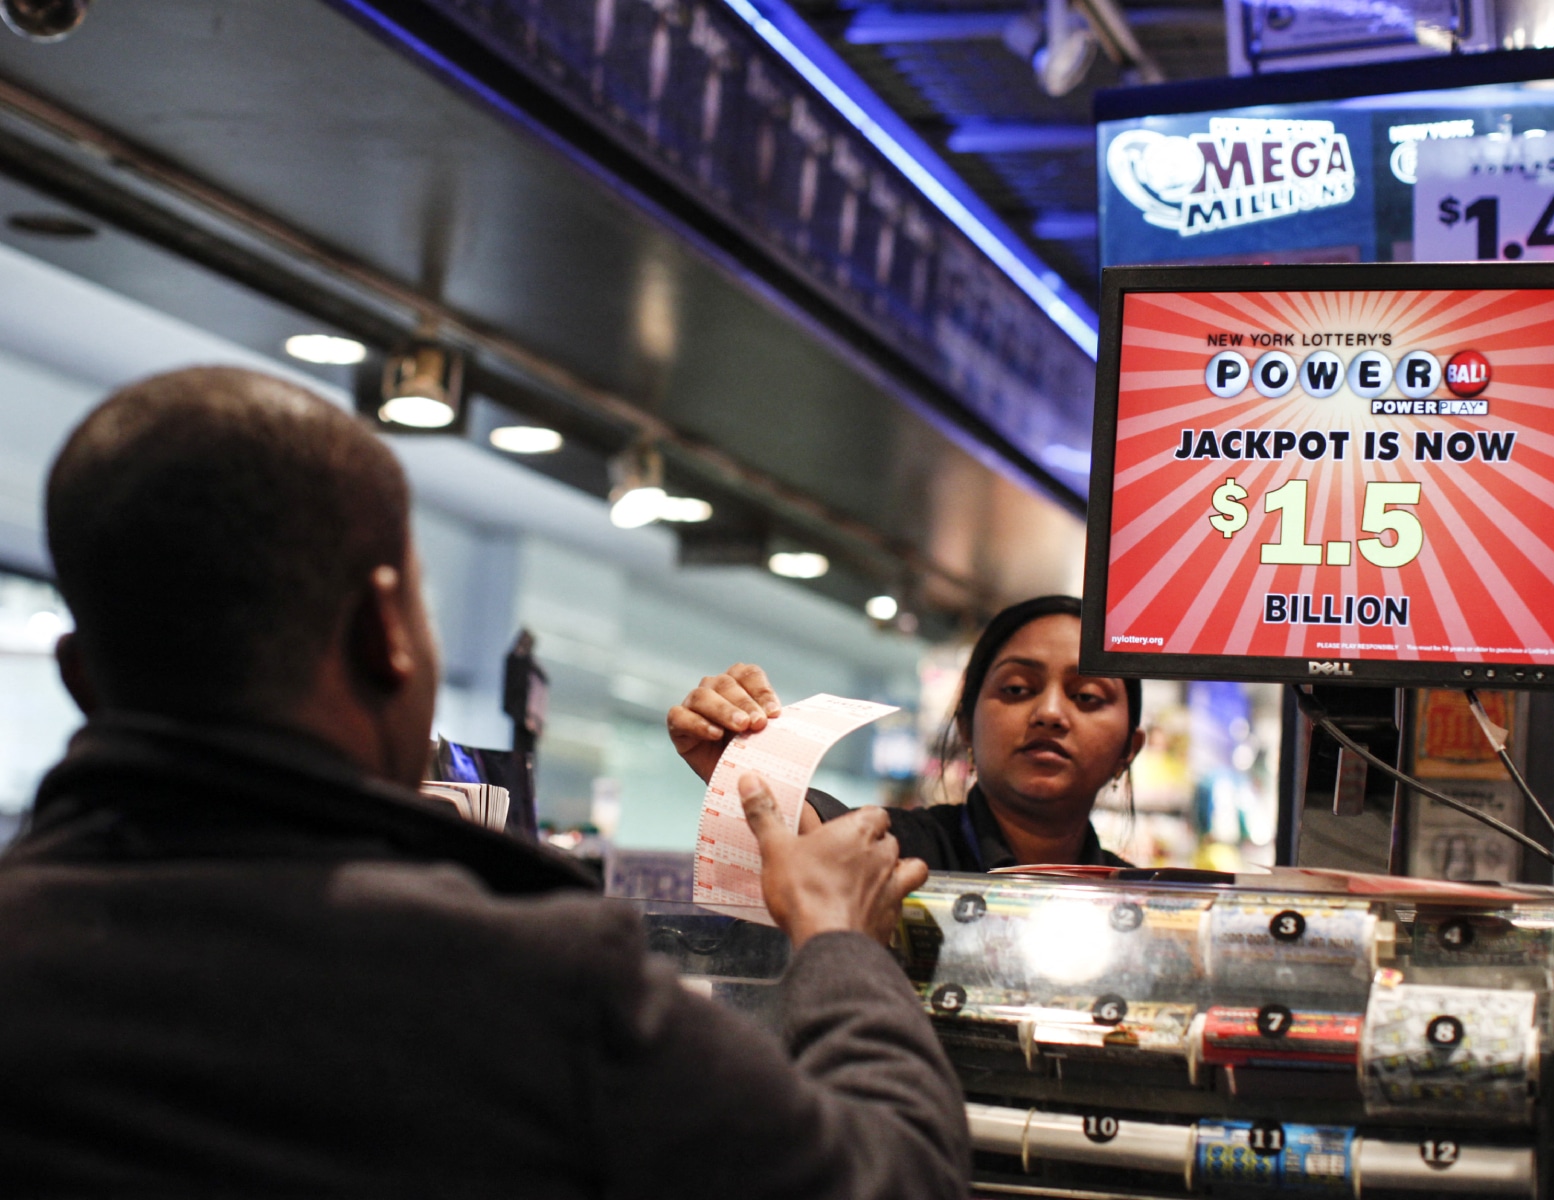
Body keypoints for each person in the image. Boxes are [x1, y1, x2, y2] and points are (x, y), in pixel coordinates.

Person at [0, 367, 968, 1197]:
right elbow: (889, 1175)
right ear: (386, 632)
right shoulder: (536, 987)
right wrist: (842, 947)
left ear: (79, 672)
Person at [668, 595, 1145, 873]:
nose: (1050, 713)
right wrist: (746, 764)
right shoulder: (897, 850)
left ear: (1129, 749)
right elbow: (820, 836)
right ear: (965, 727)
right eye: (1018, 688)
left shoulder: (1148, 902)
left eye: (1087, 696)